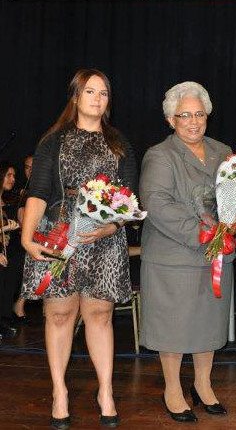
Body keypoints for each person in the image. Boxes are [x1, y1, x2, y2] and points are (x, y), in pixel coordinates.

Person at [19, 69, 136, 428]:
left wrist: (112, 225)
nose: (97, 98)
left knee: (100, 317)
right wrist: (26, 238)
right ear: (75, 97)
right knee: (59, 316)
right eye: (90, 91)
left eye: (103, 92)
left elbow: (130, 197)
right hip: (59, 233)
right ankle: (60, 392)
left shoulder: (120, 143)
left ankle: (106, 392)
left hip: (104, 239)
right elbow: (38, 192)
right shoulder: (52, 142)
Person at [139, 81, 236, 422]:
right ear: (171, 119)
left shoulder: (224, 151)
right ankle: (173, 389)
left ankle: (204, 386)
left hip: (217, 256)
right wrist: (207, 235)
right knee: (173, 329)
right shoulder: (159, 155)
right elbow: (158, 205)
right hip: (175, 257)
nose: (194, 121)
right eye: (185, 115)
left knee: (209, 325)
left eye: (200, 114)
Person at [12, 155, 34, 324]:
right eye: (27, 167)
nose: (31, 170)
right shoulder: (21, 192)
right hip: (23, 239)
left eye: (34, 166)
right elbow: (21, 218)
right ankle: (19, 304)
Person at [0, 162, 21, 338]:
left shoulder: (4, 201)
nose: (13, 179)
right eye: (9, 175)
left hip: (3, 250)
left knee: (11, 274)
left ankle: (4, 319)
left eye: (14, 176)